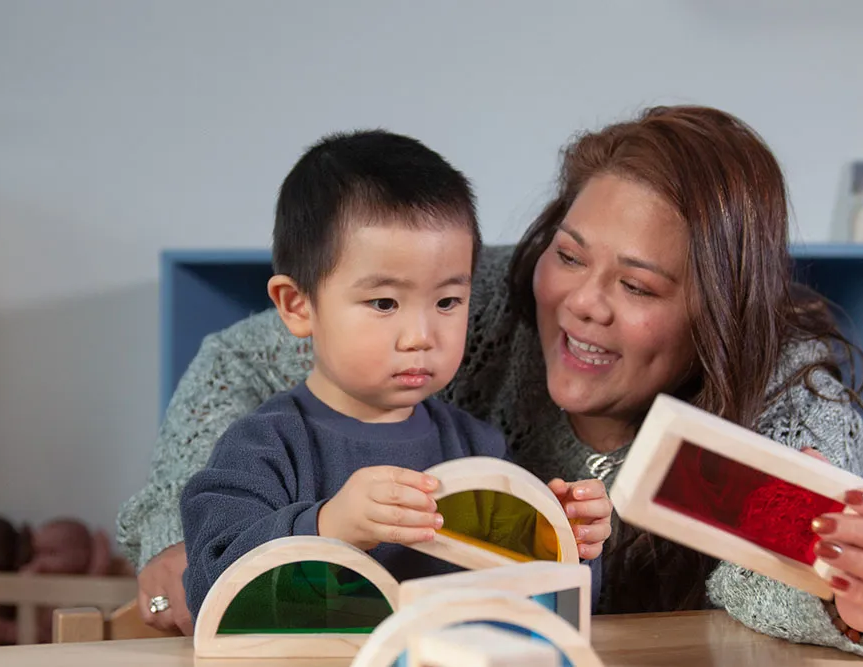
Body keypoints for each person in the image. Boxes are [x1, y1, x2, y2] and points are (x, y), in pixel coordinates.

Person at [117, 106, 863, 656]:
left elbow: (785, 584)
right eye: (570, 253)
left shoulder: (788, 398)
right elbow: (236, 362)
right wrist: (185, 542)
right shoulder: (465, 295)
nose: (581, 303)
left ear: (718, 316)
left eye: (639, 286)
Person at [177, 129, 610, 621]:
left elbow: (545, 613)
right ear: (297, 306)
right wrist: (326, 526)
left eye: (447, 301)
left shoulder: (478, 449)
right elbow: (211, 592)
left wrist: (566, 543)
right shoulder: (262, 448)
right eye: (384, 303)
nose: (420, 336)